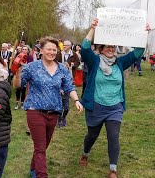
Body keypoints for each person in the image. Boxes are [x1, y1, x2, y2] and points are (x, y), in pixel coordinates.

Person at [79, 18, 150, 178]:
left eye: (113, 46)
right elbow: (84, 49)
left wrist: (144, 34)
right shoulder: (94, 61)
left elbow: (137, 53)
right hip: (96, 106)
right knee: (92, 135)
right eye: (107, 47)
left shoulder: (120, 62)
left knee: (113, 135)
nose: (111, 49)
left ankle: (113, 169)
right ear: (101, 49)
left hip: (115, 107)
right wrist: (93, 29)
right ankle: (85, 153)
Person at [13, 36, 83, 178]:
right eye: (48, 49)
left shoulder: (62, 69)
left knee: (43, 146)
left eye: (54, 49)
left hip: (54, 112)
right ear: (42, 50)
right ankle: (41, 174)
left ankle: (33, 168)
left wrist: (76, 100)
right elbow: (18, 85)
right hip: (35, 111)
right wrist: (18, 72)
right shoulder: (32, 67)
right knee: (40, 148)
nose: (51, 52)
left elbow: (69, 86)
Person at [55, 40, 80, 127]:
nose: (64, 46)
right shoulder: (59, 54)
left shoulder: (73, 54)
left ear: (70, 46)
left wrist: (73, 64)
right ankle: (59, 119)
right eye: (64, 45)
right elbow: (54, 63)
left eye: (66, 45)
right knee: (59, 103)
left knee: (66, 106)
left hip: (69, 77)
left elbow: (78, 62)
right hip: (58, 78)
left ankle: (63, 118)